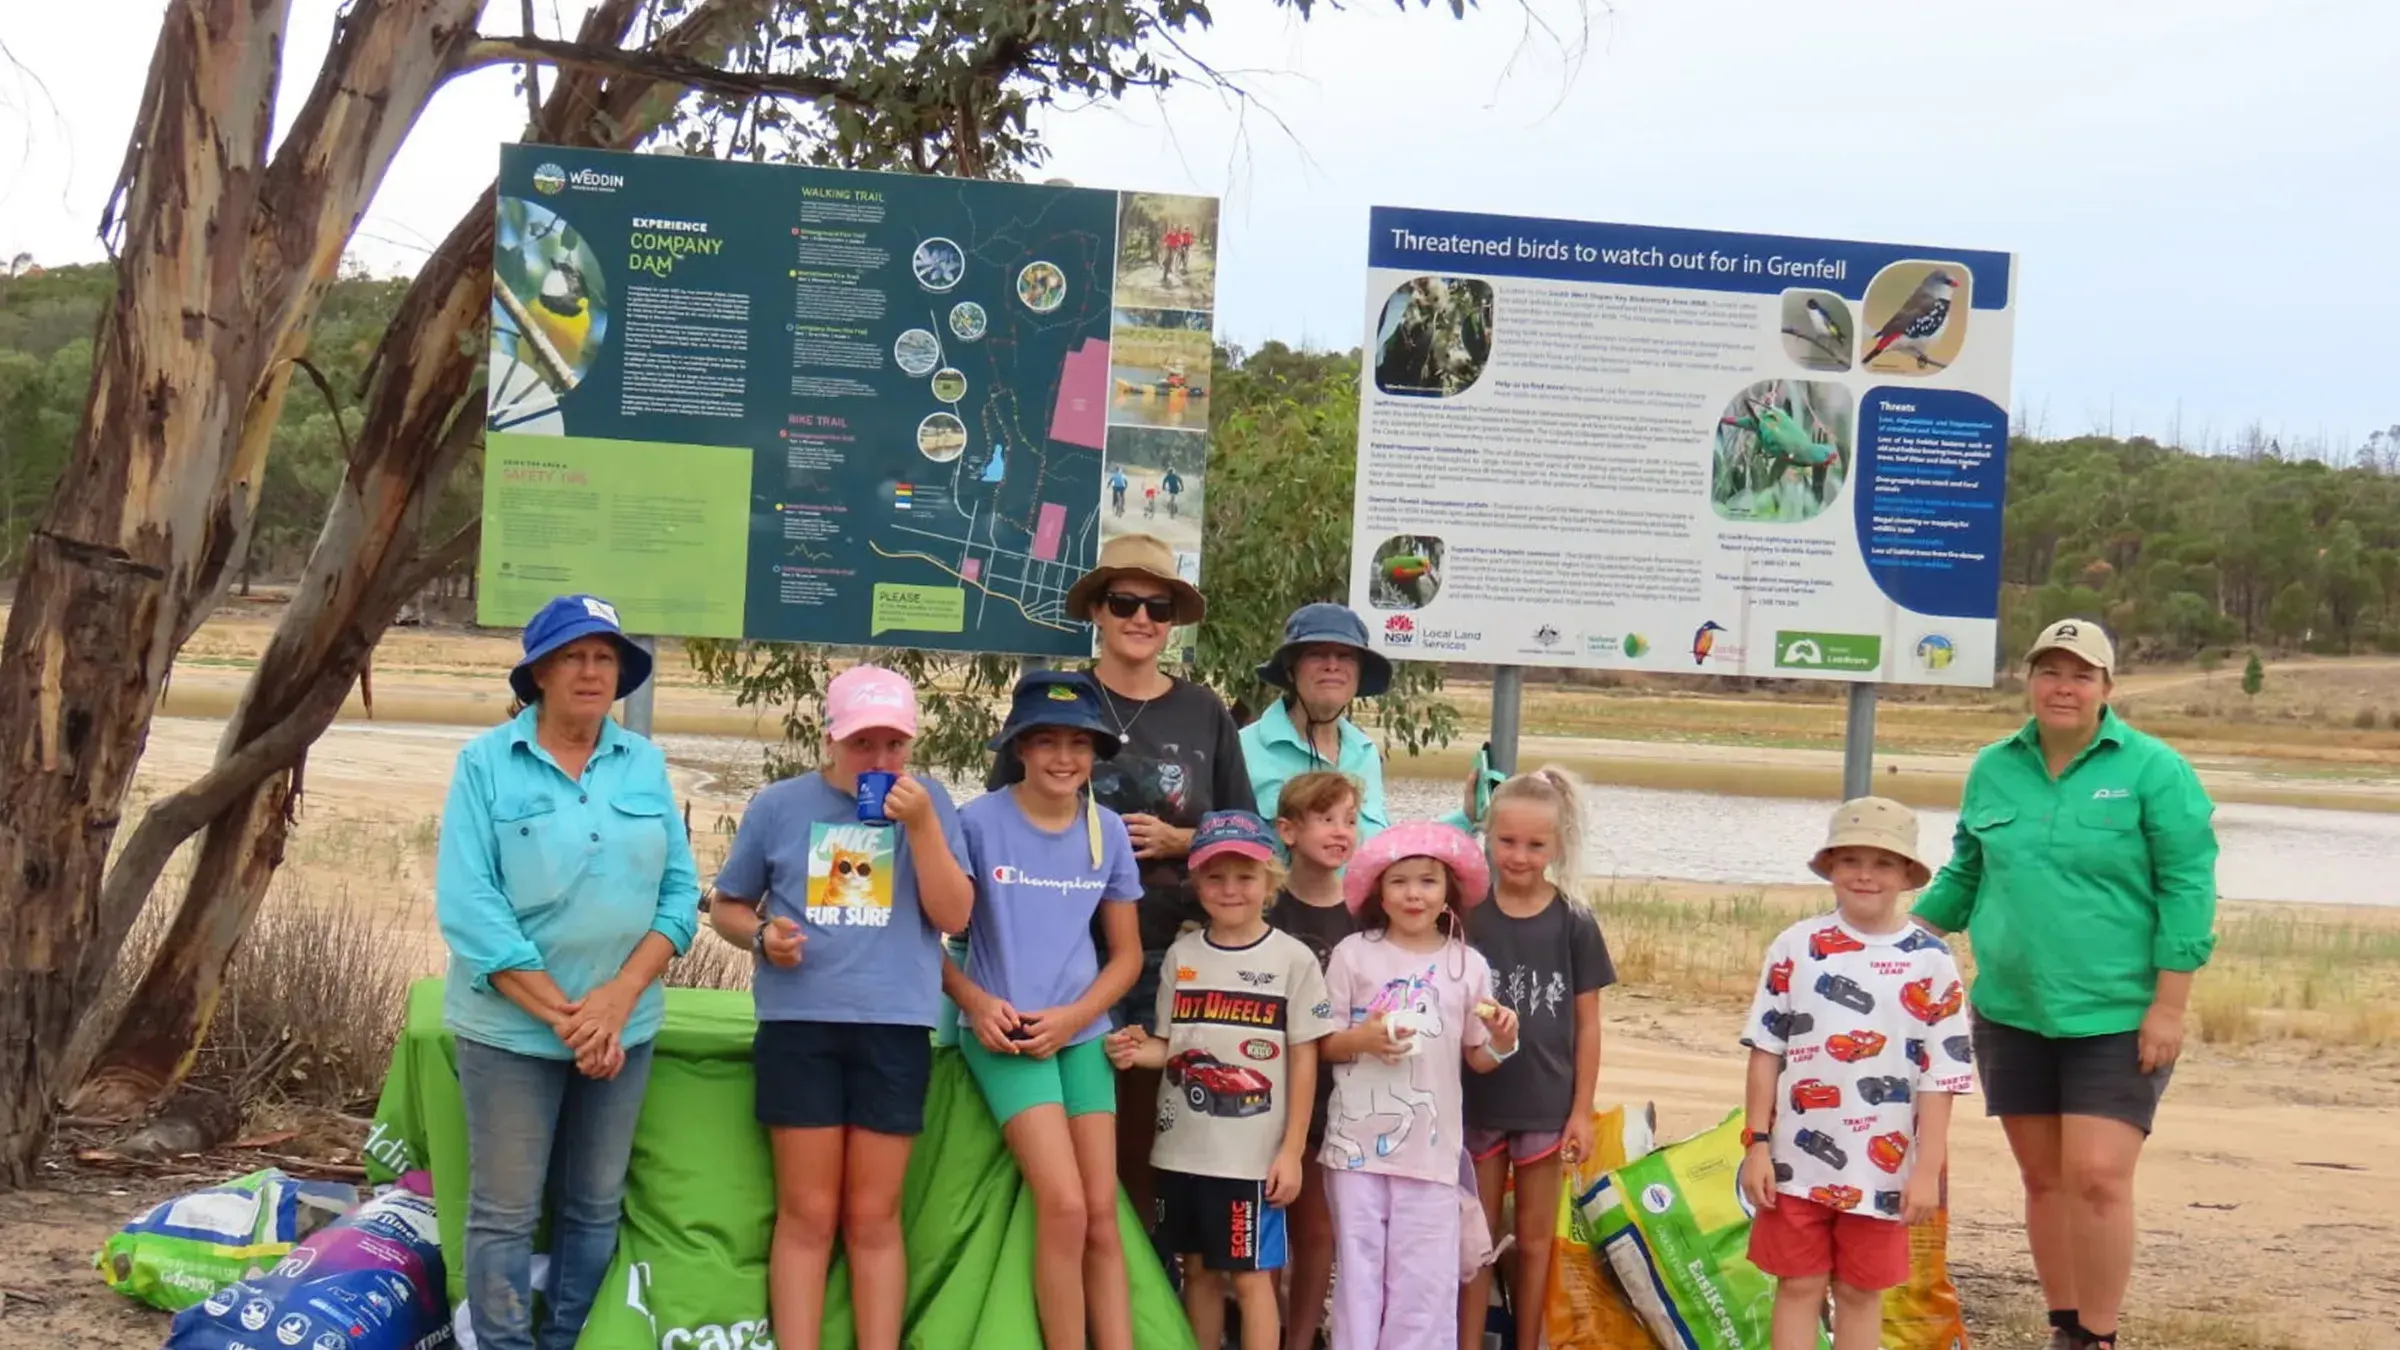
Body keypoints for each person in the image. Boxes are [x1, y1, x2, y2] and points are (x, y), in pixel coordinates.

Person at [1912, 620, 2218, 1350]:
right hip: (2012, 1009)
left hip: (2117, 1014)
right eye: (2050, 671)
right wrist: (1897, 942)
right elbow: (1966, 870)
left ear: (2107, 688)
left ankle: (2101, 1337)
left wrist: (2169, 1005)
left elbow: (2187, 887)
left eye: (2081, 674)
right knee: (2046, 1180)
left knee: (2099, 1176)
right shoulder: (1994, 767)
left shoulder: (2155, 770)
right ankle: (2067, 1327)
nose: (2063, 686)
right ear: (2029, 682)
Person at [434, 593, 700, 1350]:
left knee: (593, 1204)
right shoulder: (486, 764)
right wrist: (569, 1018)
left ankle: (569, 1340)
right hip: (512, 1035)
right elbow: (470, 907)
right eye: (575, 656)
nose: (592, 672)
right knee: (506, 1211)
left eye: (605, 657)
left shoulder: (643, 762)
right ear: (541, 673)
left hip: (624, 1029)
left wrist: (617, 1001)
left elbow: (680, 896)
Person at [989, 532, 1255, 1223]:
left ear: (1173, 621)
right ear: (1097, 612)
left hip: (1178, 952)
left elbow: (1247, 839)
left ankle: (1143, 1292)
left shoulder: (1205, 712)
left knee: (1158, 1133)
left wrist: (1182, 840)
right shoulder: (1056, 700)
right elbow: (994, 820)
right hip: (1058, 956)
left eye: (1158, 607)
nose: (1141, 618)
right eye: (1125, 602)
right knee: (1061, 1151)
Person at [705, 666, 973, 1350]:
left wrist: (919, 828)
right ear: (830, 738)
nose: (880, 761)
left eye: (894, 745)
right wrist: (763, 937)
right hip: (801, 1026)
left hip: (895, 1027)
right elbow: (729, 907)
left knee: (874, 1216)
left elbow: (954, 913)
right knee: (808, 1214)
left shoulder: (932, 805)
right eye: (863, 744)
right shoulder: (779, 806)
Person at [947, 670, 1147, 1350]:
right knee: (1061, 1204)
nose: (1065, 758)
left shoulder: (1109, 831)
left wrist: (1074, 1019)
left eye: (1079, 743)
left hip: (1081, 1033)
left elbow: (1125, 956)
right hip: (1005, 1035)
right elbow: (932, 939)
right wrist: (975, 1003)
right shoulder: (976, 822)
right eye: (1047, 742)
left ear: (1095, 753)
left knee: (1099, 1213)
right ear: (1020, 749)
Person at [1738, 797, 1975, 1350]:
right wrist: (1756, 1142)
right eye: (1851, 860)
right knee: (1798, 1284)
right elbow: (1765, 1050)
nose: (1865, 875)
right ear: (1831, 869)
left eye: (1884, 862)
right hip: (1793, 1162)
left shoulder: (1932, 961)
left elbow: (1942, 1077)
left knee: (1861, 1292)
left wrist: (1928, 1171)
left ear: (1907, 876)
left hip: (1886, 1169)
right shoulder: (1798, 946)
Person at [1105, 811, 1334, 1350]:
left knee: (1254, 1278)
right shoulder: (1181, 958)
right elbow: (1170, 1047)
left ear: (1270, 881)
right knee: (1199, 1272)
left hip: (1251, 1161)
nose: (1230, 889)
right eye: (1215, 876)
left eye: (1245, 876)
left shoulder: (1293, 960)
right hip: (1181, 1154)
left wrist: (1292, 1151)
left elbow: (1305, 1059)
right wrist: (1132, 1050)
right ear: (1196, 882)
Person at [1318, 821, 1520, 1350]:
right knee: (1359, 1279)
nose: (1413, 894)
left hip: (1432, 1154)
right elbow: (1321, 1043)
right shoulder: (1351, 954)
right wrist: (1361, 1039)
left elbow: (1478, 1057)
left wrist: (1502, 1041)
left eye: (1428, 881)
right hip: (1353, 1150)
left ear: (1449, 891)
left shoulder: (1468, 965)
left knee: (1424, 1286)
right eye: (1399, 881)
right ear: (1377, 892)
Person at [1458, 767, 1615, 1350]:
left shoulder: (1572, 919)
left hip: (1548, 1108)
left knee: (1534, 1244)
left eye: (1534, 845)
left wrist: (1582, 1111)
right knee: (1473, 1238)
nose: (1518, 856)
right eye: (1506, 841)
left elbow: (1588, 1023)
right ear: (1488, 835)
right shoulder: (1467, 913)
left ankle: (1529, 1342)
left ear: (1557, 845)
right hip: (1478, 1100)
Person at [1265, 771, 1364, 1350]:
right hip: (1262, 1088)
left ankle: (1300, 1337)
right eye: (1326, 819)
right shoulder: (1265, 906)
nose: (1340, 832)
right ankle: (1258, 1324)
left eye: (1350, 820)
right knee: (1259, 1220)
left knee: (1316, 1228)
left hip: (1338, 1095)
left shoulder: (1365, 916)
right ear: (1289, 830)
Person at [1240, 603, 1393, 840]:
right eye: (1317, 654)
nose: (1332, 665)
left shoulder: (1366, 752)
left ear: (1359, 673)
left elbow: (1385, 850)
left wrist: (1466, 816)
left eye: (1346, 656)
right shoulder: (1242, 748)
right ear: (1291, 670)